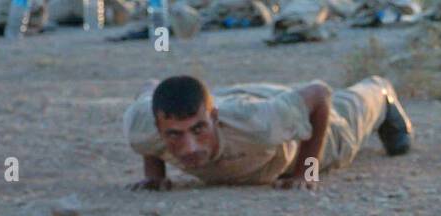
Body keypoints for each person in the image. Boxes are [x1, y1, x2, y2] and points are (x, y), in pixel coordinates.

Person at [123, 73, 413, 191]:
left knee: (349, 115)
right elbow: (149, 87)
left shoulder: (261, 126)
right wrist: (155, 176)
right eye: (174, 135)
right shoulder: (140, 127)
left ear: (212, 118)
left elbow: (319, 93)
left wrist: (305, 172)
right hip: (242, 97)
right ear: (157, 126)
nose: (189, 147)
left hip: (283, 128)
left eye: (198, 130)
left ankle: (381, 90)